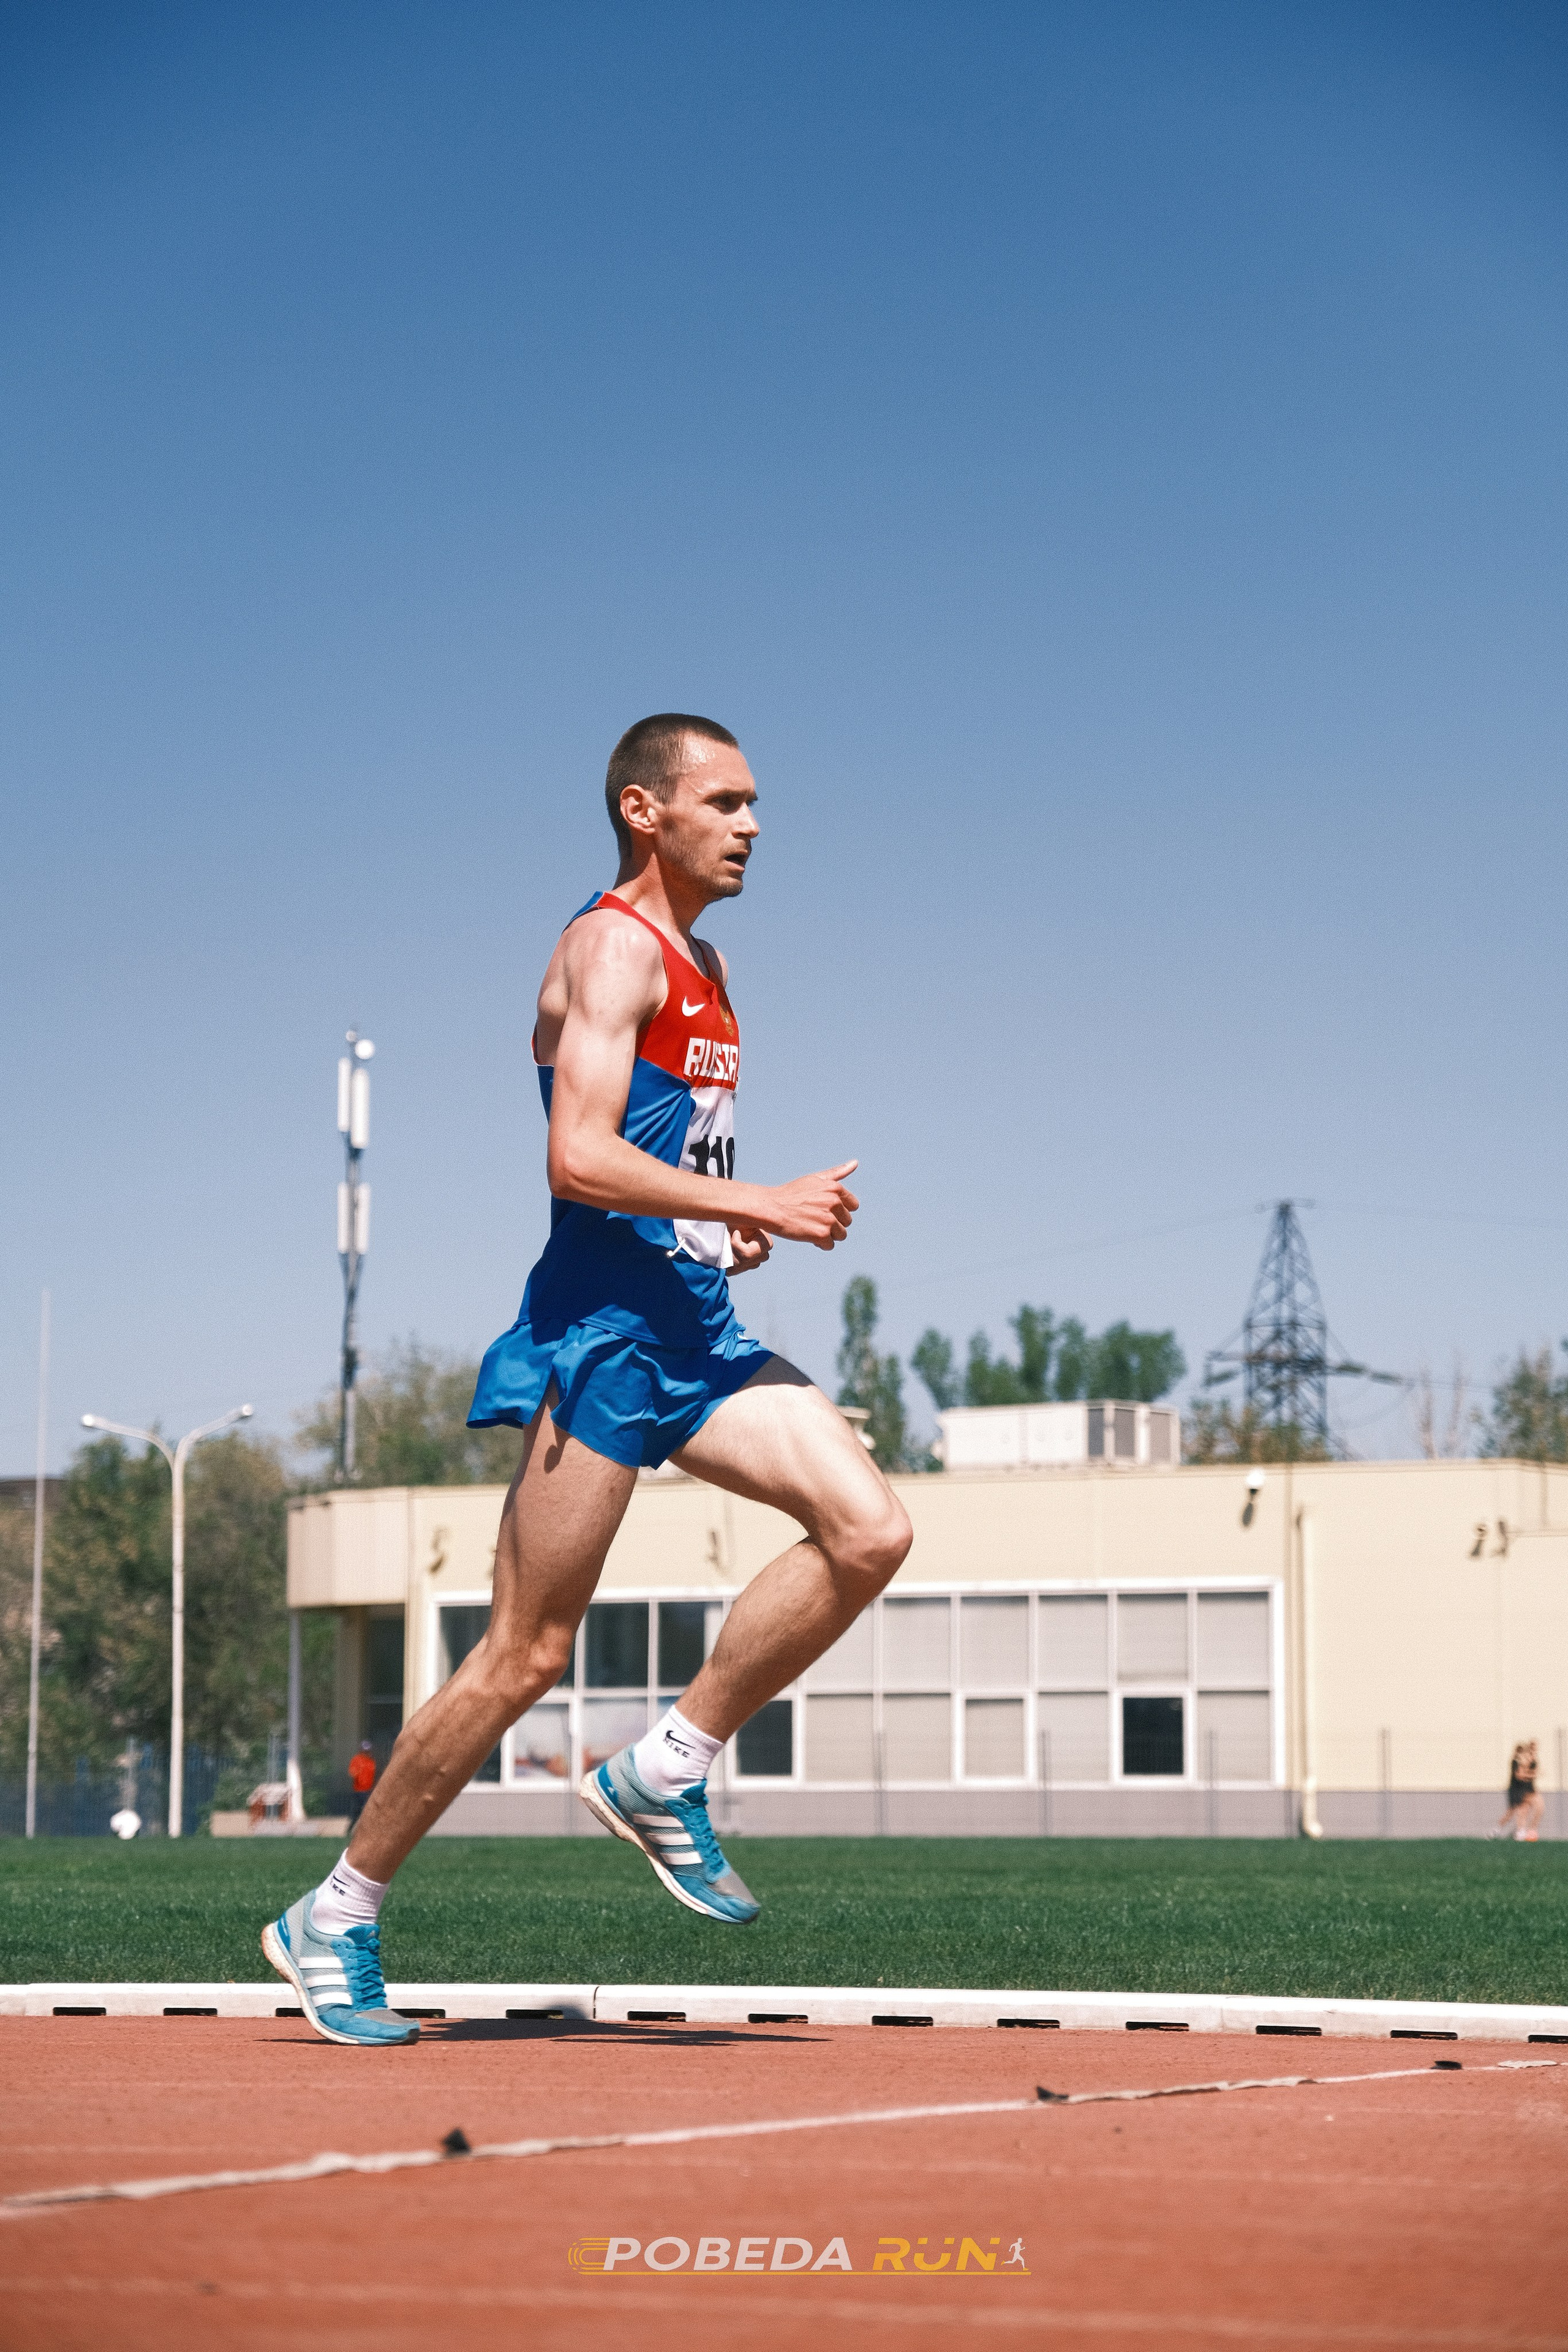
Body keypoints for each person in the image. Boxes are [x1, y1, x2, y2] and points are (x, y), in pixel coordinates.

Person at [264, 714, 913, 2045]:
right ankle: (332, 1915)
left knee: (869, 1528)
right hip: (605, 1340)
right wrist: (769, 1204)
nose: (749, 825)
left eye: (753, 805)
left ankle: (664, 1765)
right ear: (642, 809)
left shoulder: (710, 965)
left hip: (695, 1328)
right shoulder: (608, 947)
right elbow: (577, 1156)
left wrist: (729, 1221)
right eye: (723, 802)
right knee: (524, 1654)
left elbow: (665, 1159)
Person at [1490, 1740, 1544, 1842]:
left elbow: (1532, 1772)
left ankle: (1526, 1831)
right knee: (1512, 1812)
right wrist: (1533, 1774)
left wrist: (1533, 1773)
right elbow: (1520, 1775)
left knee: (1535, 1809)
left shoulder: (1533, 1761)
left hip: (1528, 1789)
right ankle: (1498, 1830)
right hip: (1517, 1789)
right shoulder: (1517, 1762)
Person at [346, 1741, 377, 1829]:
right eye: (364, 1751)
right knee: (359, 1810)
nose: (366, 1752)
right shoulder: (357, 1759)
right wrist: (357, 1773)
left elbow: (372, 1776)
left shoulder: (371, 1762)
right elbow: (352, 1773)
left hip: (368, 1790)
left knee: (366, 1810)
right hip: (359, 1790)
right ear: (361, 1750)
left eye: (368, 1751)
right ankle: (352, 1827)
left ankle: (364, 1828)